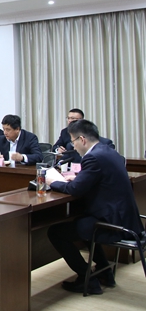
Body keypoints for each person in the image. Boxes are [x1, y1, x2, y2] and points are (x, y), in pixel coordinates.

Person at [45, 119, 144, 295]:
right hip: (126, 218)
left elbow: (75, 190)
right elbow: (96, 179)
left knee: (56, 232)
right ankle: (105, 273)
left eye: (73, 141)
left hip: (114, 224)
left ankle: (88, 280)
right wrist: (77, 179)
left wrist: (53, 182)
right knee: (83, 222)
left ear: (82, 139)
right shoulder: (107, 151)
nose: (73, 146)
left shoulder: (93, 158)